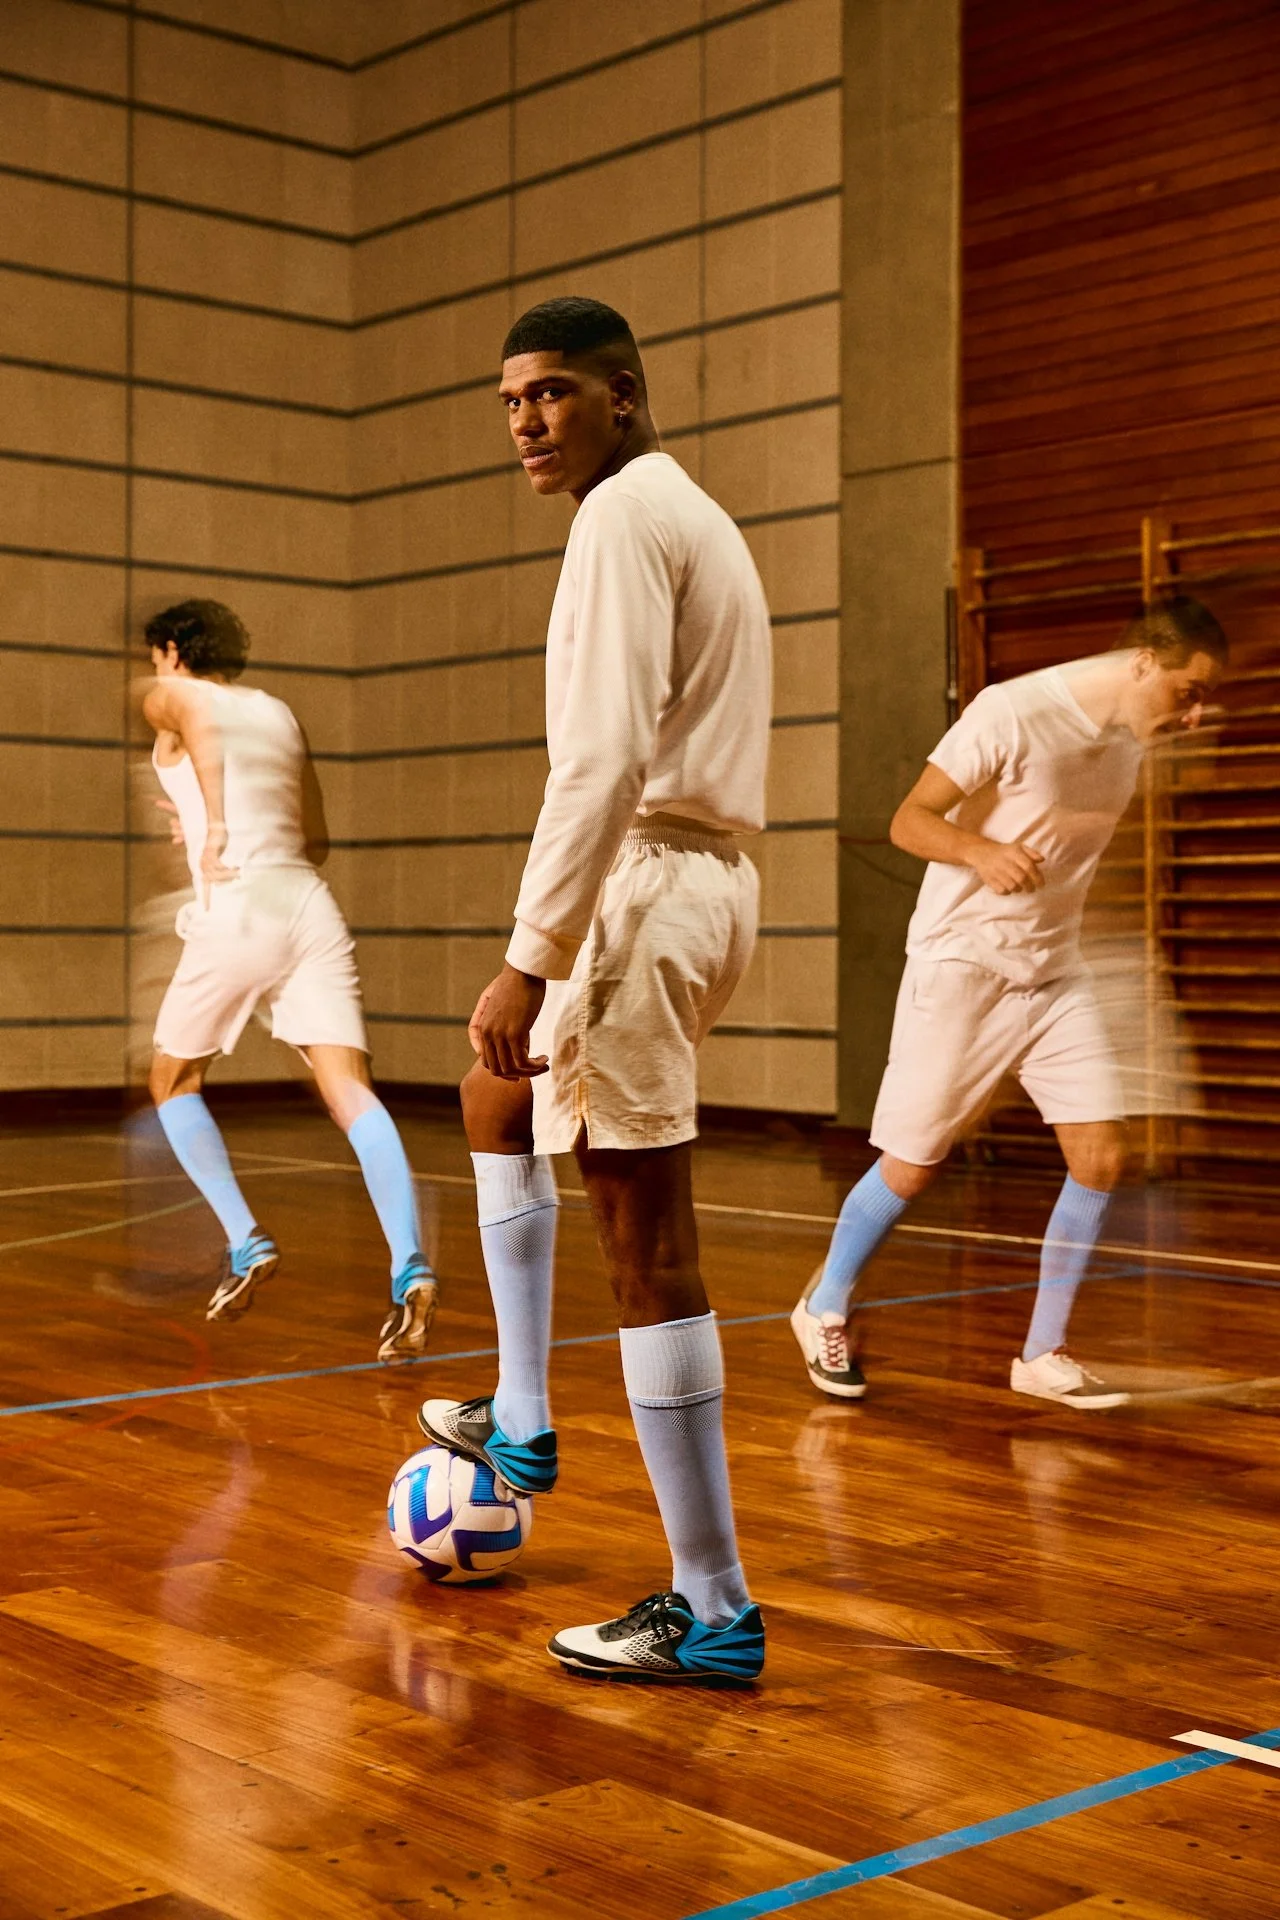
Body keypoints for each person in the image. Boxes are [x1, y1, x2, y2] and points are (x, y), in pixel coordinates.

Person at [417, 297, 772, 1681]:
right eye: (510, 398)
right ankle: (520, 1414)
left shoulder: (625, 518)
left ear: (622, 395)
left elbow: (607, 758)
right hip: (685, 881)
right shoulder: (679, 510)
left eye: (553, 393)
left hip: (650, 884)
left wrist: (530, 954)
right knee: (491, 1099)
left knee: (648, 1243)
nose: (525, 420)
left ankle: (714, 1603)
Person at [792, 597, 1228, 1410]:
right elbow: (908, 820)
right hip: (964, 966)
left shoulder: (1126, 745)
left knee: (1099, 1155)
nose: (1196, 713)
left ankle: (1042, 1352)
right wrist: (980, 849)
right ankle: (823, 1303)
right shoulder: (1012, 711)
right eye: (1189, 692)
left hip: (1053, 975)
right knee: (913, 1168)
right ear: (1142, 665)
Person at [142, 598, 436, 1361]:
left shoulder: (173, 695)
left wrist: (214, 830)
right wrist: (206, 818)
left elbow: (198, 728)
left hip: (241, 906)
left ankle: (245, 1240)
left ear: (172, 651)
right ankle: (410, 1262)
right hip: (307, 901)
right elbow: (318, 838)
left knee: (172, 1080)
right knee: (350, 1090)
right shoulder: (278, 711)